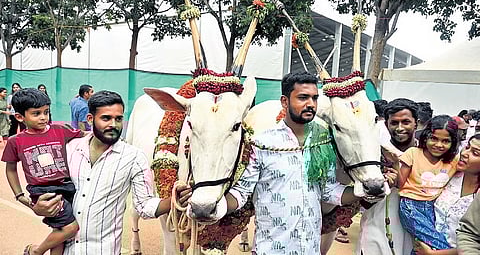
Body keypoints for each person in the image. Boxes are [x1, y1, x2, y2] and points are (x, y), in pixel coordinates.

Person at [32, 90, 191, 254]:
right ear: (90, 119)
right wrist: (37, 206)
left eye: (119, 119)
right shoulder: (70, 149)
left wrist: (174, 199)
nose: (114, 125)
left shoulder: (134, 158)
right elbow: (50, 192)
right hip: (65, 250)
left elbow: (144, 206)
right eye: (106, 118)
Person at [223, 71, 361, 254]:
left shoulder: (323, 141)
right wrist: (212, 205)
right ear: (284, 102)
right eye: (303, 98)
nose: (310, 104)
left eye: (314, 98)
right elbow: (241, 193)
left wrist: (365, 190)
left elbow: (330, 191)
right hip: (270, 250)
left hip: (310, 249)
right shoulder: (261, 143)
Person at [2, 88, 83, 255]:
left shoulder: (59, 130)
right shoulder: (15, 141)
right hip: (44, 192)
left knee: (61, 235)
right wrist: (19, 195)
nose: (43, 117)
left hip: (67, 186)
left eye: (46, 112)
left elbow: (84, 134)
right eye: (36, 113)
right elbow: (10, 169)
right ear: (19, 117)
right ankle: (36, 251)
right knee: (71, 227)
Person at [356, 98, 418, 255]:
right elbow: (363, 203)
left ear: (416, 123)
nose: (400, 128)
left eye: (406, 122)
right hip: (376, 234)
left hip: (413, 237)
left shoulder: (426, 155)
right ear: (386, 124)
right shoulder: (374, 155)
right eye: (394, 123)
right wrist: (382, 186)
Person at [398, 115, 459, 253]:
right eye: (434, 138)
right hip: (410, 205)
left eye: (445, 141)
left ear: (453, 143)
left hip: (432, 206)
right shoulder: (413, 153)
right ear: (426, 137)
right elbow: (400, 183)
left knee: (423, 246)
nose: (439, 145)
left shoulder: (454, 160)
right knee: (436, 242)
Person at [413, 133, 480, 255]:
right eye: (467, 147)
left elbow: (473, 243)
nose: (465, 153)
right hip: (424, 247)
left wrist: (433, 254)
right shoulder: (450, 175)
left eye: (475, 153)